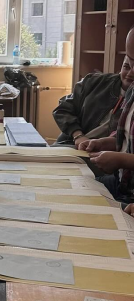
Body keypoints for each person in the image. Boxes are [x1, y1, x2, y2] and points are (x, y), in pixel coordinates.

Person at [79, 27, 134, 203]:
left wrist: (122, 160)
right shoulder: (132, 91)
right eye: (130, 61)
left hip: (130, 194)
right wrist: (104, 142)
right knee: (71, 187)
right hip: (121, 183)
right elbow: (127, 138)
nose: (131, 72)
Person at [52, 63, 131, 148]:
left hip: (107, 151)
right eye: (126, 67)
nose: (130, 73)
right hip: (71, 143)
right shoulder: (94, 81)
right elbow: (62, 109)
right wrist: (78, 135)